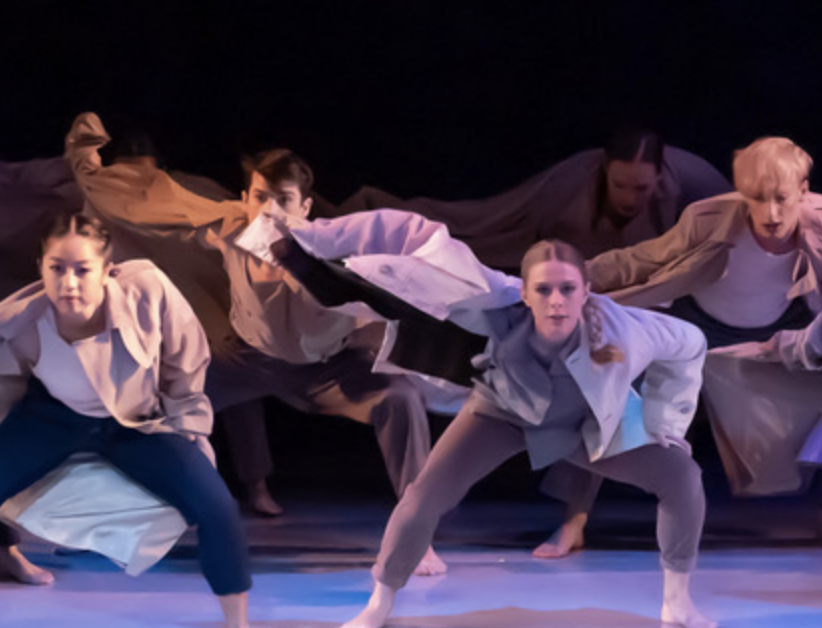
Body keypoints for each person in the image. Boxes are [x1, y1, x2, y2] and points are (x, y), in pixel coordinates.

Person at [64, 112, 441, 572]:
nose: (269, 212)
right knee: (146, 407)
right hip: (245, 359)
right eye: (260, 198)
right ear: (246, 198)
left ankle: (417, 538)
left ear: (304, 207)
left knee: (400, 399)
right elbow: (149, 205)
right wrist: (85, 164)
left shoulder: (338, 247)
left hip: (329, 369)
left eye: (282, 201)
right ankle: (101, 523)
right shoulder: (231, 226)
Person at [338, 239, 713, 628]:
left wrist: (665, 420)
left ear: (586, 291)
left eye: (568, 289)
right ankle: (378, 604)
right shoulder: (496, 311)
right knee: (423, 497)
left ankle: (677, 603)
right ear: (524, 294)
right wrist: (344, 263)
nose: (556, 301)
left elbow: (691, 343)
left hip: (584, 425)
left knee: (682, 475)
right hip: (502, 414)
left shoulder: (625, 331)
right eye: (544, 289)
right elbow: (423, 281)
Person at [546, 136, 822, 554]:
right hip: (693, 322)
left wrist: (789, 346)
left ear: (803, 191)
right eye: (756, 199)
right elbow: (645, 259)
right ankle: (574, 519)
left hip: (778, 328)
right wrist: (574, 277)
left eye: (782, 199)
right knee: (610, 382)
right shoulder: (710, 216)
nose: (770, 213)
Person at [0, 213, 252, 628]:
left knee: (217, 506)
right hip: (54, 417)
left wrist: (190, 429)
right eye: (56, 269)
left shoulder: (147, 290)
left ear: (106, 270)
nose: (69, 284)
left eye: (83, 270)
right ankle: (5, 553)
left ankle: (237, 622)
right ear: (41, 267)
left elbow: (185, 358)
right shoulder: (24, 320)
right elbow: (7, 384)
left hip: (135, 424)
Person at [332, 129, 731, 270]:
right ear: (605, 168)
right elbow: (503, 219)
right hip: (571, 262)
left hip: (642, 280)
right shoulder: (573, 180)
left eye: (641, 188)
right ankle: (362, 216)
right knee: (466, 226)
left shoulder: (692, 179)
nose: (629, 198)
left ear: (659, 174)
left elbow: (732, 218)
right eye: (620, 184)